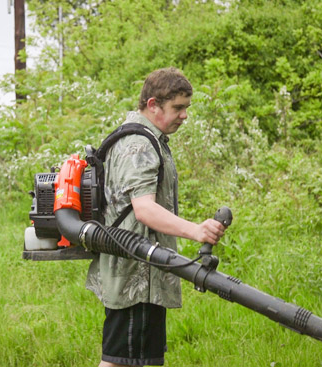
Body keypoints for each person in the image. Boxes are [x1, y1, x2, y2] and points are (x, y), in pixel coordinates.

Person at [86, 67, 226, 367]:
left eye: (186, 108)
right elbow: (144, 209)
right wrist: (196, 231)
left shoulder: (146, 138)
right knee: (121, 362)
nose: (184, 116)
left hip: (142, 271)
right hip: (136, 277)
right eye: (178, 107)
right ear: (153, 104)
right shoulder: (139, 145)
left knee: (134, 360)